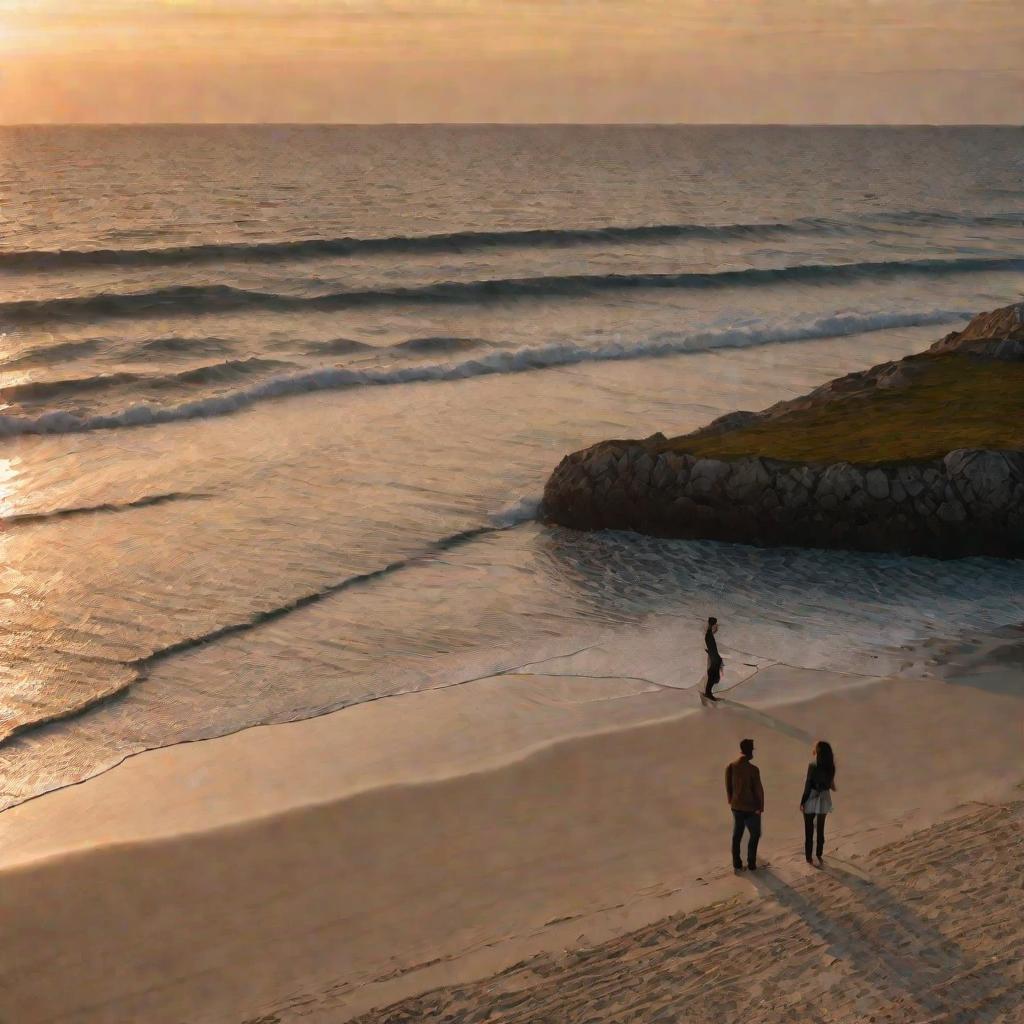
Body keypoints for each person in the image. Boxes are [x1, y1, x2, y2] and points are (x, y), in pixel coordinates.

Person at [726, 737, 764, 871]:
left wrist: (730, 799)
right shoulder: (753, 769)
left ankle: (736, 863)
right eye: (752, 750)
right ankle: (751, 862)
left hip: (736, 806)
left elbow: (728, 785)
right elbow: (758, 789)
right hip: (751, 807)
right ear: (749, 751)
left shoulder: (731, 765)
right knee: (755, 834)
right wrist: (761, 807)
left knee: (737, 834)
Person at [800, 740, 836, 866]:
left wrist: (803, 801)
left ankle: (809, 857)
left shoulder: (813, 765)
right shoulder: (831, 766)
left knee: (809, 829)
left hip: (812, 796)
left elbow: (808, 784)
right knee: (820, 827)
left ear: (818, 751)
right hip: (825, 796)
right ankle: (819, 853)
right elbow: (830, 782)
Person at [703, 616, 723, 700]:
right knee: (713, 676)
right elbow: (711, 646)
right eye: (715, 624)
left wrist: (714, 631)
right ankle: (708, 693)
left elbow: (710, 645)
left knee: (713, 676)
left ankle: (708, 693)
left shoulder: (709, 634)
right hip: (715, 659)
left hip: (715, 658)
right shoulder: (708, 635)